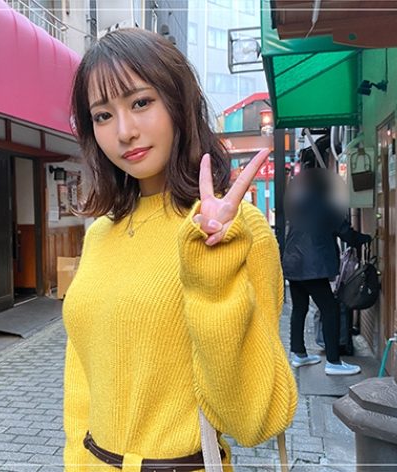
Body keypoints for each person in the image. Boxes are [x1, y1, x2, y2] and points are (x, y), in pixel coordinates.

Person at [63, 28, 297, 471]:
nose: (125, 132)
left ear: (178, 102)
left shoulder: (236, 230)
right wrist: (75, 459)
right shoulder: (99, 234)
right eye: (103, 115)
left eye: (140, 103)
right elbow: (81, 378)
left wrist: (213, 277)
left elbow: (254, 419)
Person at [282, 166, 372, 376]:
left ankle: (299, 354)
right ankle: (333, 362)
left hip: (293, 262)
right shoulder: (325, 204)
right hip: (312, 266)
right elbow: (345, 232)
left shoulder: (297, 203)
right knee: (330, 309)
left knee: (299, 308)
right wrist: (366, 238)